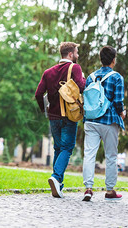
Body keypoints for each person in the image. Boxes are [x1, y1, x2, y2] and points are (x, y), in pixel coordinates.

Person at [35, 42, 86, 198]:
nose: (77, 55)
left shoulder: (48, 72)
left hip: (53, 117)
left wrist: (45, 110)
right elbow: (82, 87)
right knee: (67, 148)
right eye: (76, 53)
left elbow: (38, 94)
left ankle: (58, 185)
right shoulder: (75, 68)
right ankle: (56, 177)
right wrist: (83, 79)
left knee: (58, 148)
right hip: (69, 116)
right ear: (70, 54)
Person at [82, 46, 125, 202]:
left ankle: (88, 188)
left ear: (101, 59)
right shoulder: (117, 77)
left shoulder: (90, 77)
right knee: (111, 156)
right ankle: (110, 190)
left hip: (91, 120)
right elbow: (118, 101)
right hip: (108, 121)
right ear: (113, 60)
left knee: (89, 154)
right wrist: (122, 113)